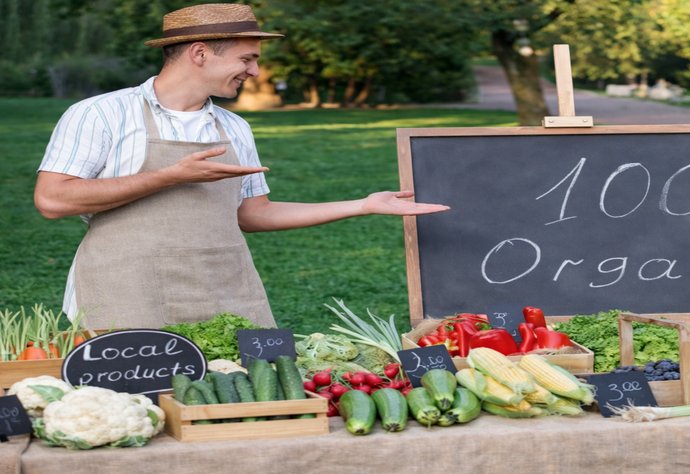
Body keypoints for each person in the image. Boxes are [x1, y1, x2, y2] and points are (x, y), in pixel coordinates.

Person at [33, 3, 448, 329]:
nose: (255, 71)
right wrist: (169, 176)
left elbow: (254, 214)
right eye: (247, 59)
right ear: (199, 53)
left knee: (236, 408)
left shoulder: (233, 127)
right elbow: (52, 200)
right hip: (126, 290)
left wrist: (363, 205)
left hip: (222, 288)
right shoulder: (101, 114)